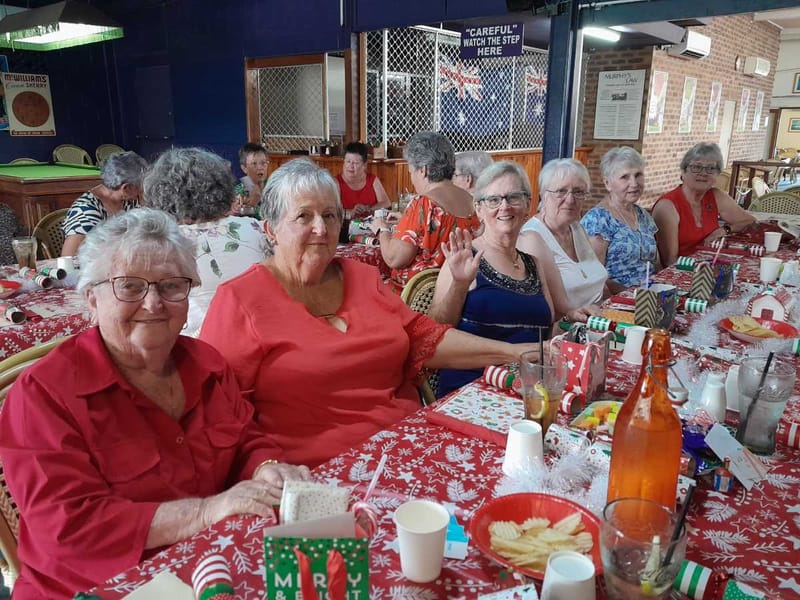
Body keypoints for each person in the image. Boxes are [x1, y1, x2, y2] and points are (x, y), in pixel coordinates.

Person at [0, 208, 309, 600]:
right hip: (94, 587)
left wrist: (267, 467)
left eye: (170, 286)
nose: (153, 303)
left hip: (207, 568)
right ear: (91, 298)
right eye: (129, 287)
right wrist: (205, 512)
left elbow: (246, 437)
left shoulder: (209, 365)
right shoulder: (42, 397)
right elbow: (69, 526)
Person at [200, 158, 541, 468]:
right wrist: (264, 467)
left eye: (330, 215)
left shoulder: (362, 277)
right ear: (270, 229)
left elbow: (423, 337)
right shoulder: (239, 301)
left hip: (408, 445)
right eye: (304, 216)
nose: (321, 228)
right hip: (315, 472)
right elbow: (222, 414)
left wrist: (517, 353)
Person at [429, 161, 554, 397]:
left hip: (529, 389)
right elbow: (434, 334)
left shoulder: (534, 264)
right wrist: (459, 284)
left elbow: (548, 329)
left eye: (513, 197)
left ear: (527, 204)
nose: (504, 207)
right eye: (493, 200)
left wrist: (572, 321)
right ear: (479, 209)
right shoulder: (466, 257)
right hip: (474, 390)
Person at [143, 147, 268, 337]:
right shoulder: (255, 229)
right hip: (258, 336)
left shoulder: (156, 244)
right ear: (222, 188)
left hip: (190, 346)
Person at [369, 131, 479, 292]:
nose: (412, 179)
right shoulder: (471, 201)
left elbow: (394, 258)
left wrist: (382, 229)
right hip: (455, 292)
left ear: (424, 170)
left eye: (411, 172)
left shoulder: (424, 204)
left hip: (417, 298)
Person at [518, 158, 607, 321]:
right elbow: (556, 307)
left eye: (578, 192)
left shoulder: (575, 227)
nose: (570, 199)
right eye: (561, 191)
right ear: (543, 195)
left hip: (600, 317)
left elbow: (599, 281)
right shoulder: (532, 238)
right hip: (571, 327)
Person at [653, 142, 756, 266]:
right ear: (683, 172)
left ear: (717, 175)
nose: (703, 173)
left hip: (710, 265)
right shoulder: (667, 206)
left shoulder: (715, 196)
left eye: (711, 168)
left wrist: (724, 230)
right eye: (696, 167)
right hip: (684, 271)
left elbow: (749, 221)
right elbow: (670, 261)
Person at [581, 147, 659, 293]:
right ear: (607, 183)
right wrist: (630, 295)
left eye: (638, 175)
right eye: (625, 177)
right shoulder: (598, 220)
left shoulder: (643, 215)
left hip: (649, 296)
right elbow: (593, 277)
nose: (634, 183)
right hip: (617, 300)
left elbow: (656, 264)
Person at [61, 151, 148, 257]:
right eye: (140, 186)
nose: (143, 190)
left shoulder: (129, 200)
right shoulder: (86, 210)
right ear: (126, 188)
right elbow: (69, 259)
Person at [336, 141, 391, 216]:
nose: (351, 166)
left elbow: (386, 203)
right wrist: (350, 212)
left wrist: (368, 208)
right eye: (348, 161)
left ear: (364, 165)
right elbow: (332, 211)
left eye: (355, 163)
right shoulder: (336, 182)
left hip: (371, 225)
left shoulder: (372, 180)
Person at [234, 142, 269, 215]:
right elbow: (239, 221)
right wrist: (252, 204)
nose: (260, 168)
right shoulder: (238, 192)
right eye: (254, 164)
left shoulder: (274, 187)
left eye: (263, 163)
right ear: (244, 168)